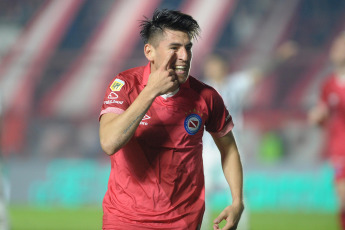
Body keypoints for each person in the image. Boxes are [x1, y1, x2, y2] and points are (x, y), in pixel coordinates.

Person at [99, 9, 244, 230]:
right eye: (174, 48)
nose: (184, 56)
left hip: (183, 221)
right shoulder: (125, 86)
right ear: (150, 52)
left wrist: (237, 201)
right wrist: (150, 92)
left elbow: (229, 149)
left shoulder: (206, 96)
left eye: (188, 48)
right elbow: (109, 142)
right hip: (126, 220)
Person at [308, 32, 345, 229]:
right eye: (335, 46)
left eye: (340, 46)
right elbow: (323, 117)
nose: (336, 50)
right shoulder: (328, 85)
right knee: (343, 199)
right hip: (339, 150)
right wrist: (317, 118)